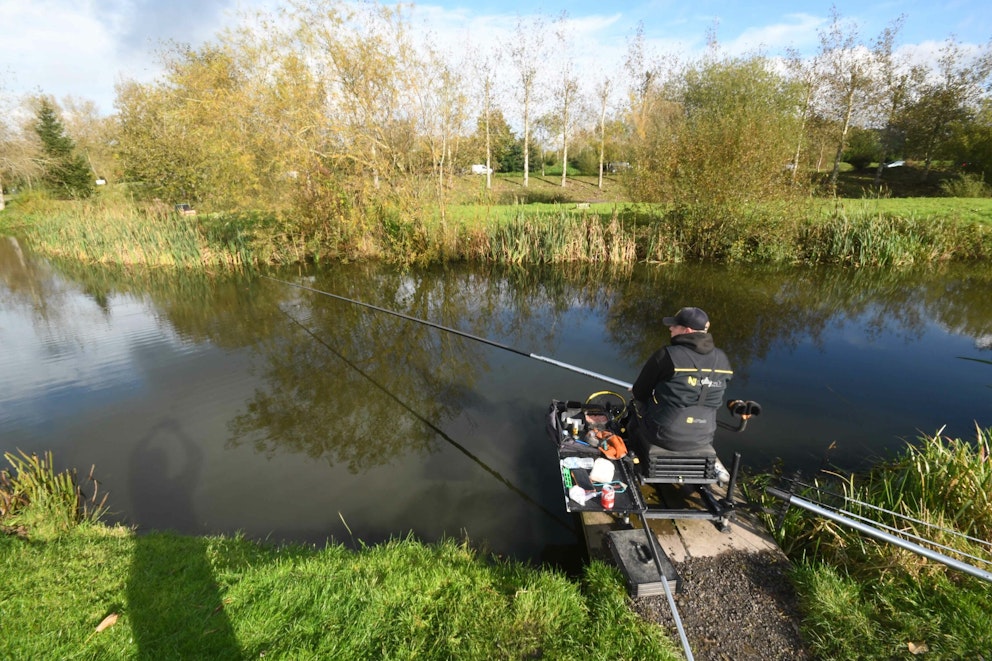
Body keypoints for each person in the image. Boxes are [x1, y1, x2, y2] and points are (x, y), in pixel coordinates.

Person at [630, 307, 733, 453]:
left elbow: (640, 392)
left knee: (635, 404)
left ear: (687, 331)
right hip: (704, 436)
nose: (670, 328)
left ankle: (632, 448)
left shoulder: (667, 355)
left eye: (675, 325)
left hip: (663, 434)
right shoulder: (722, 359)